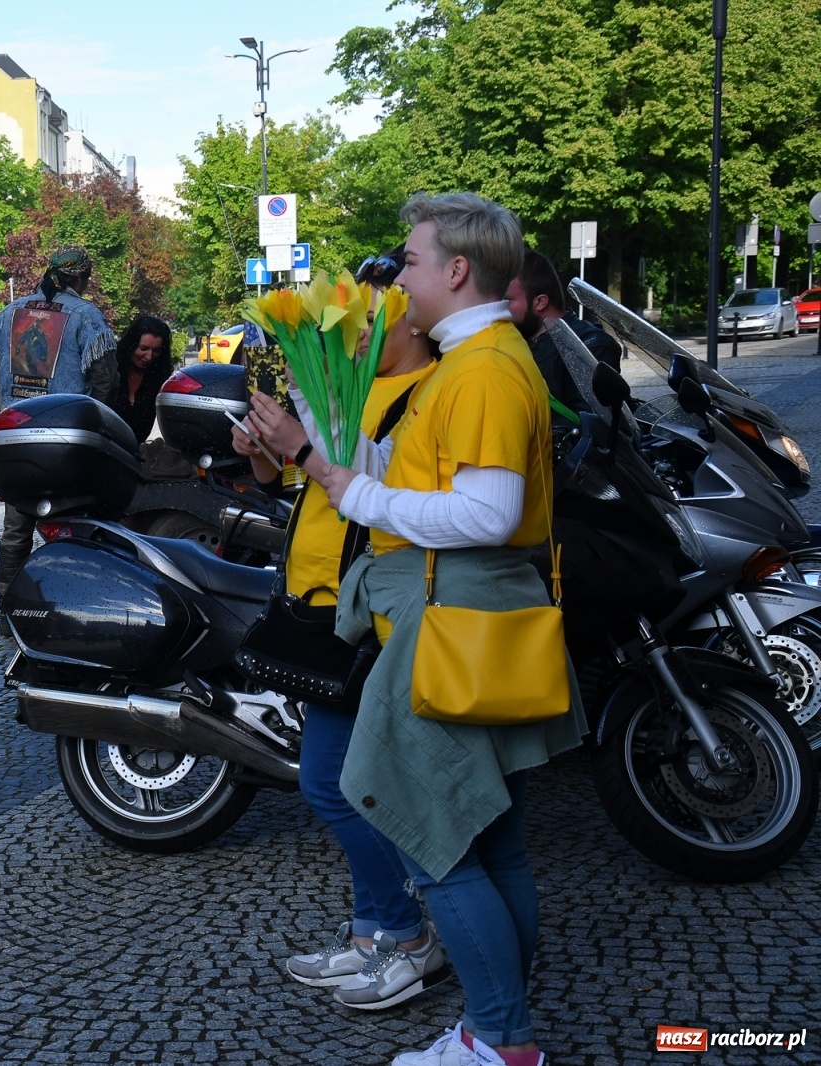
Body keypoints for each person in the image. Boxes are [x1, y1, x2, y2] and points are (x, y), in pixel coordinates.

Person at [246, 193, 583, 1066]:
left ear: (457, 270)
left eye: (412, 260)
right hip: (460, 612)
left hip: (448, 616)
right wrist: (311, 449)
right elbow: (403, 465)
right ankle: (498, 1019)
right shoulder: (476, 363)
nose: (400, 276)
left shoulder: (480, 370)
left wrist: (342, 484)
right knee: (489, 834)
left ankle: (500, 1040)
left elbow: (486, 509)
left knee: (430, 835)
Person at [233, 256, 448, 1012]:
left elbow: (382, 494)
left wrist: (300, 447)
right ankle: (375, 933)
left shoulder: (426, 393)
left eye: (373, 319)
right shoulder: (348, 388)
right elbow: (298, 482)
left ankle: (407, 933)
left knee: (336, 783)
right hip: (322, 604)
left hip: (375, 613)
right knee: (342, 782)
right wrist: (264, 456)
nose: (357, 333)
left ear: (412, 318)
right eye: (355, 320)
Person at [0, 246, 117, 629]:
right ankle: (70, 609)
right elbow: (106, 380)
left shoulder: (9, 313)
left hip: (15, 437)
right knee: (69, 525)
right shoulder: (87, 316)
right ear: (82, 279)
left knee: (16, 529)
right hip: (63, 440)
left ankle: (8, 612)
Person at [505, 249, 623, 414]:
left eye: (507, 300)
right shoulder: (515, 342)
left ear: (540, 302)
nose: (500, 309)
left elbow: (591, 428)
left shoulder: (589, 346)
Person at [108, 315, 174, 444]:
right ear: (131, 345)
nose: (149, 357)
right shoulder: (111, 369)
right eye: (143, 349)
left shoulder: (159, 377)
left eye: (156, 350)